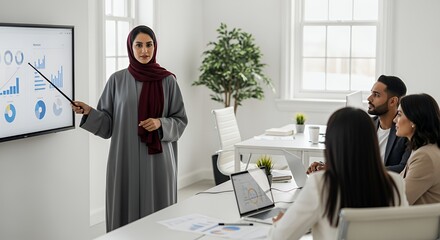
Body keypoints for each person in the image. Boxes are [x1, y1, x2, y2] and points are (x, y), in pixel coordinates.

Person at [71, 25, 188, 232]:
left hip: (158, 163)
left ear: (155, 47)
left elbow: (180, 120)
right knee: (126, 219)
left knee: (159, 218)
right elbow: (107, 124)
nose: (144, 51)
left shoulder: (168, 81)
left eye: (149, 45)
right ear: (130, 48)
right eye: (139, 45)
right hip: (125, 159)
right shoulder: (117, 80)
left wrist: (161, 123)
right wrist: (90, 112)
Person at [269, 107, 408, 240]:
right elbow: (404, 232)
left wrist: (279, 224)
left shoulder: (321, 183)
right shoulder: (395, 182)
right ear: (372, 141)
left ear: (332, 143)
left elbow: (280, 237)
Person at [307, 75, 410, 174]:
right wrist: (329, 167)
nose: (369, 98)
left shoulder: (406, 131)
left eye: (376, 95)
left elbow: (403, 168)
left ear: (392, 101)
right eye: (371, 93)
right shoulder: (367, 125)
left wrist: (356, 171)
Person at [394, 93, 440, 205]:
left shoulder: (425, 156)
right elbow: (399, 183)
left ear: (413, 121)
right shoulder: (423, 149)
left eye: (399, 114)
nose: (395, 120)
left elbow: (399, 200)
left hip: (416, 221)